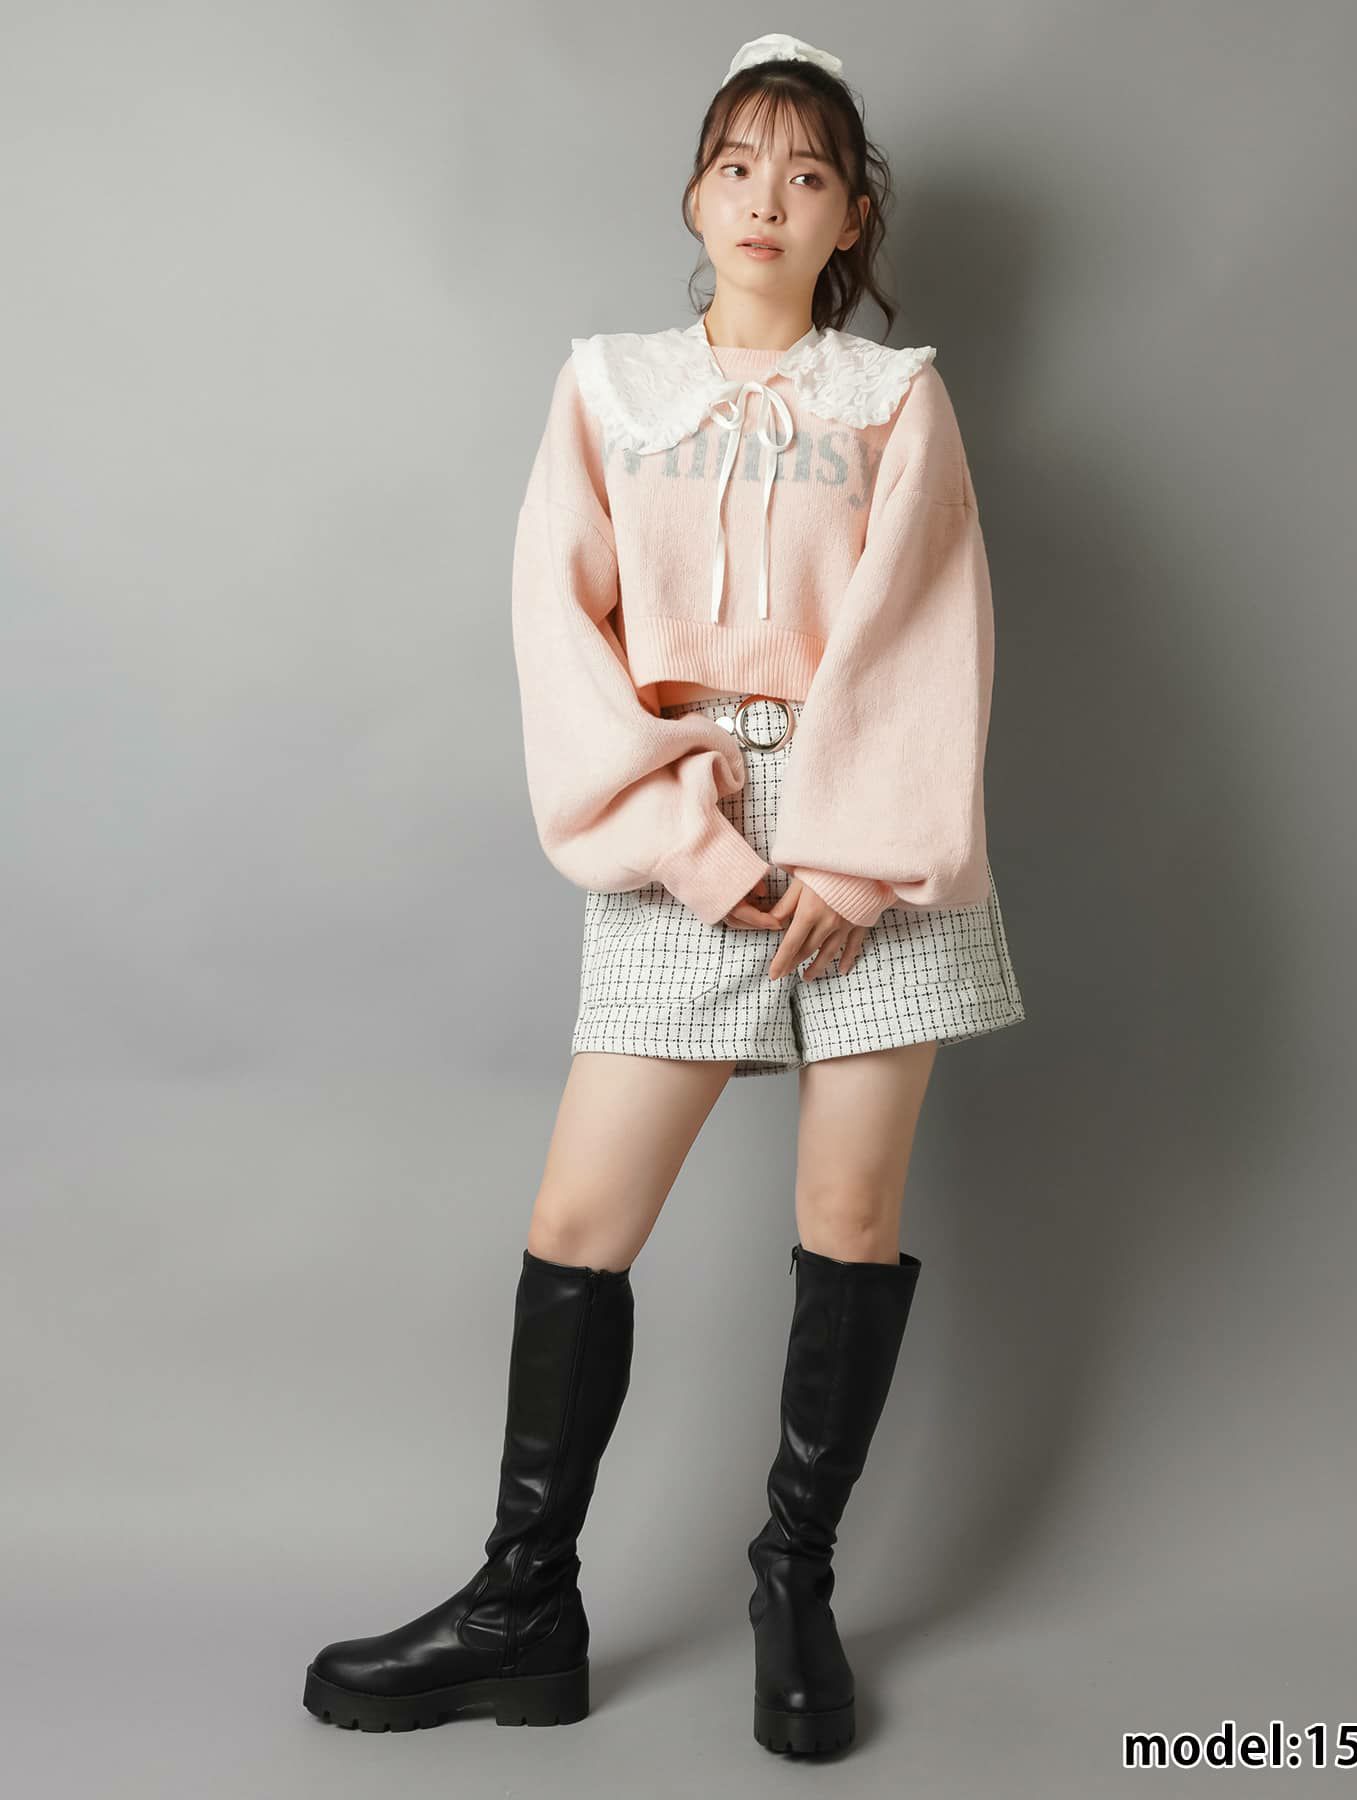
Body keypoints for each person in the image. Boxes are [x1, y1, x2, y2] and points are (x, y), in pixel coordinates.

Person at [302, 29, 1025, 1757]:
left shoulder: (896, 398)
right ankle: (522, 1606)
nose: (767, 198)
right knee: (581, 1221)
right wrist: (695, 843)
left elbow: (930, 636)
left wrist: (848, 853)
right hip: (674, 817)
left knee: (848, 1216)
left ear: (852, 216)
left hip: (880, 834)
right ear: (696, 197)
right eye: (737, 166)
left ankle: (795, 1579)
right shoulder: (611, 389)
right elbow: (562, 636)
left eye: (807, 172)